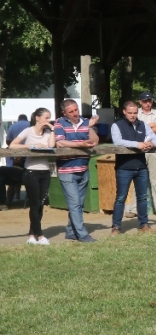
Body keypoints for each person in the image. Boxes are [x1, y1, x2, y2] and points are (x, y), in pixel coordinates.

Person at [110, 100, 156, 235]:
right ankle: (116, 226)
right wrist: (137, 144)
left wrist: (151, 144)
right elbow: (117, 141)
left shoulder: (143, 124)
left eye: (135, 113)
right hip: (124, 167)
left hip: (141, 167)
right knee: (121, 197)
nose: (133, 115)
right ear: (124, 112)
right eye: (130, 113)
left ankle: (143, 224)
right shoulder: (117, 125)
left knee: (142, 197)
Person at [54, 99, 99, 243]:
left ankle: (70, 231)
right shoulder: (59, 123)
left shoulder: (85, 122)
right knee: (74, 203)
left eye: (76, 110)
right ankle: (82, 234)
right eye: (71, 111)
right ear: (64, 113)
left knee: (79, 203)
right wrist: (80, 144)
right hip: (67, 169)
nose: (75, 114)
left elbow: (95, 141)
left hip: (83, 168)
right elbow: (60, 142)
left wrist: (89, 127)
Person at [9, 108, 52, 243]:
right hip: (31, 171)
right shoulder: (28, 131)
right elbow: (12, 145)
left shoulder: (48, 132)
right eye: (46, 117)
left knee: (41, 204)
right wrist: (31, 145)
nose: (48, 120)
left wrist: (53, 129)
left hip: (45, 171)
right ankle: (40, 235)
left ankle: (31, 234)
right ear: (37, 118)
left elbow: (52, 145)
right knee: (34, 205)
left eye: (49, 117)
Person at [137, 92, 156, 215]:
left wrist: (145, 128)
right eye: (145, 101)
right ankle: (134, 209)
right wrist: (152, 126)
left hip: (154, 149)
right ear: (140, 102)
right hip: (139, 149)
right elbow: (136, 131)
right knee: (136, 179)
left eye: (149, 100)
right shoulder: (136, 113)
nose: (147, 103)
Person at [3, 113, 29, 207]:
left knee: (12, 181)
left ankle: (9, 201)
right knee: (26, 179)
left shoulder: (13, 126)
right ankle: (25, 200)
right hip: (27, 155)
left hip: (14, 156)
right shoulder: (30, 125)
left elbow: (8, 141)